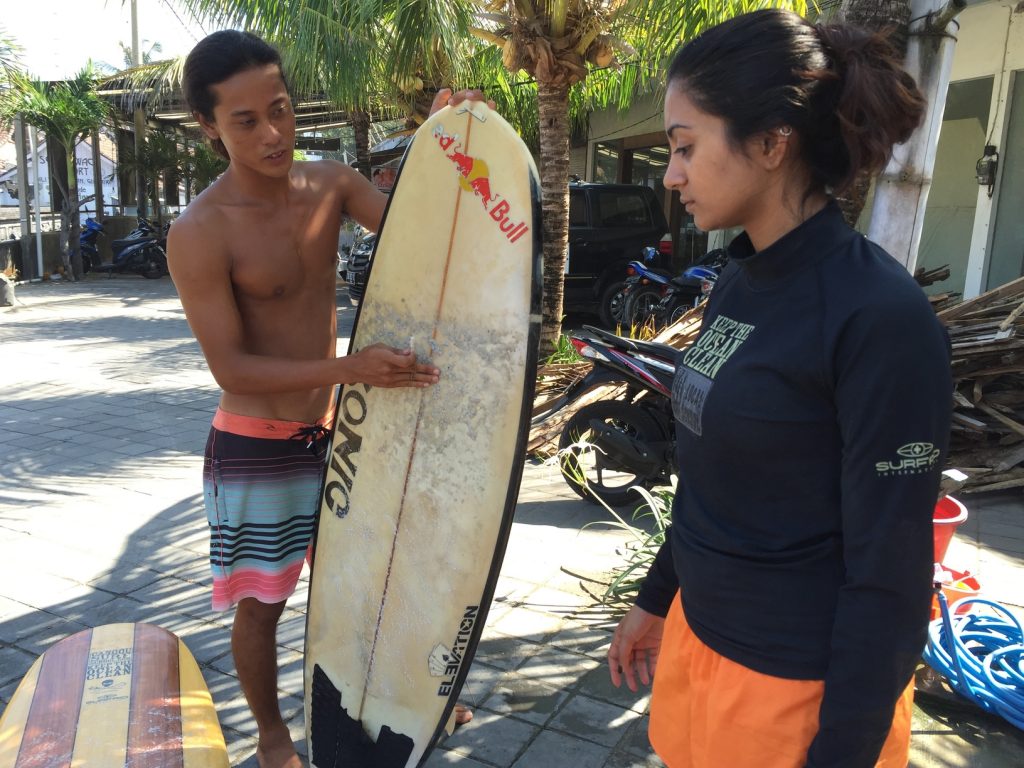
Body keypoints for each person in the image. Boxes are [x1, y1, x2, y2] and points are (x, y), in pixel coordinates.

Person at [607, 10, 952, 768]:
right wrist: (657, 596)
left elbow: (890, 575)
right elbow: (707, 476)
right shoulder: (739, 281)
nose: (671, 174)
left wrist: (844, 752)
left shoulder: (880, 319)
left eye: (685, 147)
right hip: (701, 650)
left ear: (770, 143)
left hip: (795, 697)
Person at [169, 30, 478, 768]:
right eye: (246, 121)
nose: (273, 133)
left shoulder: (333, 183)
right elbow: (231, 368)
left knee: (377, 581)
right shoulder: (200, 230)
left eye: (280, 109)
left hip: (340, 432)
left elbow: (427, 231)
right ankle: (275, 740)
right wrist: (351, 369)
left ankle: (407, 699)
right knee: (264, 605)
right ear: (211, 128)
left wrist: (449, 140)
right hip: (257, 445)